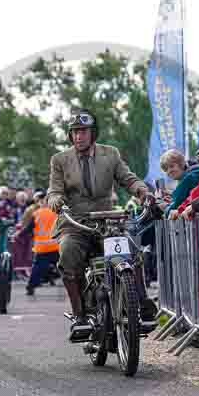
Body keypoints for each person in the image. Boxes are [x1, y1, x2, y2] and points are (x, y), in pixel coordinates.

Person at [47, 108, 157, 340]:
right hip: (74, 223)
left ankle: (143, 303)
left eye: (83, 131)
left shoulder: (111, 154)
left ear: (93, 133)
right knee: (67, 252)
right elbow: (54, 191)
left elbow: (128, 178)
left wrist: (142, 192)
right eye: (74, 132)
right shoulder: (60, 160)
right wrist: (56, 199)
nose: (78, 136)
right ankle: (80, 316)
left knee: (131, 250)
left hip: (107, 221)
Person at [20, 194, 60, 296]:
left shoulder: (36, 214)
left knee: (37, 268)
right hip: (56, 246)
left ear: (42, 202)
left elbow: (28, 229)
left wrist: (17, 235)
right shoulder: (56, 213)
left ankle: (30, 287)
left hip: (42, 248)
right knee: (65, 267)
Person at [160, 149, 199, 218]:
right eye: (166, 169)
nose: (169, 171)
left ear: (181, 164)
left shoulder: (188, 178)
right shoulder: (195, 172)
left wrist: (163, 206)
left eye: (172, 166)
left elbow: (175, 205)